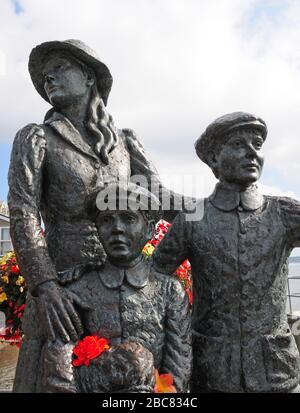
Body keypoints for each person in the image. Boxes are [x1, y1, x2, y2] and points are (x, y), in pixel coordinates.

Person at [9, 39, 182, 392]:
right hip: (64, 291)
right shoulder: (36, 138)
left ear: (90, 77)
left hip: (121, 286)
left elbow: (161, 200)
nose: (49, 78)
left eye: (59, 68)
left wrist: (221, 202)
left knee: (135, 381)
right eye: (45, 75)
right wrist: (45, 285)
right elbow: (23, 211)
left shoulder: (125, 142)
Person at [154, 112, 300, 393]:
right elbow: (155, 279)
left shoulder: (284, 213)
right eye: (237, 144)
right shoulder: (192, 218)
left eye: (257, 144)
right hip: (213, 371)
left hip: (276, 372)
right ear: (213, 159)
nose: (251, 153)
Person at [40, 183, 191, 393]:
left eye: (128, 218)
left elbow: (179, 363)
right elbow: (60, 369)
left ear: (149, 229)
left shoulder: (170, 291)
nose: (117, 228)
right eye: (107, 220)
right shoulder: (76, 290)